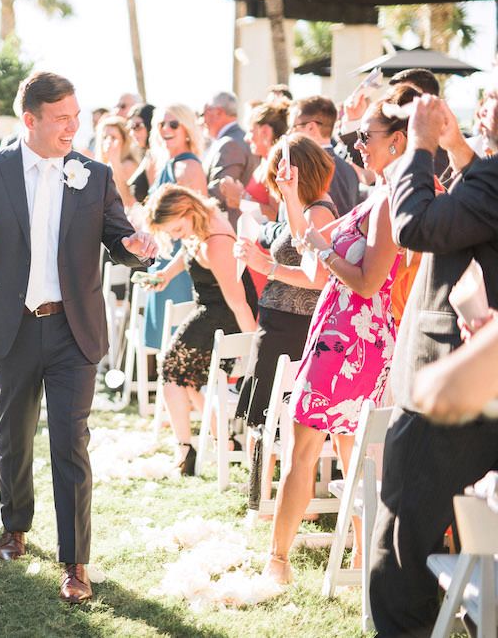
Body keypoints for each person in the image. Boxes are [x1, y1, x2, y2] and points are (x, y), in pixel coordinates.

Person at [0, 71, 159, 604]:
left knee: (71, 442)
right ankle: (15, 526)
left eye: (76, 116)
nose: (74, 127)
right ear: (31, 120)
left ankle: (74, 563)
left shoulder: (93, 173)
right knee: (14, 435)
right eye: (62, 118)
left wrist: (136, 245)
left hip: (74, 327)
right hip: (13, 324)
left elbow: (118, 238)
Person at [262, 93, 408, 586]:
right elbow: (312, 254)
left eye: (367, 136)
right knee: (349, 454)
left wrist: (324, 250)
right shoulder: (375, 196)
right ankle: (362, 566)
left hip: (351, 344)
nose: (358, 144)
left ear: (399, 142)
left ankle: (279, 561)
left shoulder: (389, 202)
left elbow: (366, 281)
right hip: (337, 337)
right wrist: (290, 197)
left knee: (308, 448)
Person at [369, 92, 498, 636]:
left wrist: (420, 145)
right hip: (480, 368)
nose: (482, 103)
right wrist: (456, 146)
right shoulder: (489, 175)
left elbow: (415, 225)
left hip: (454, 374)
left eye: (492, 99)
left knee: (404, 535)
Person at [233, 135, 338, 511]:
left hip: (294, 325)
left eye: (280, 171)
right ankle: (259, 496)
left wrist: (267, 267)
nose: (273, 178)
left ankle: (262, 501)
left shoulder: (319, 213)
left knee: (268, 412)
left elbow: (320, 277)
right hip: (279, 320)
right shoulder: (303, 208)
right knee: (263, 411)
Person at [145, 185, 258, 475]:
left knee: (171, 370)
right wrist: (166, 275)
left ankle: (186, 450)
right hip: (211, 309)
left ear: (188, 210)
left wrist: (254, 349)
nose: (175, 236)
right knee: (186, 375)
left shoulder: (216, 242)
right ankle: (223, 441)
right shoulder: (200, 221)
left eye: (177, 229)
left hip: (223, 315)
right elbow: (189, 248)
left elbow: (239, 302)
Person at [139, 104, 205, 353]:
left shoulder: (188, 168)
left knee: (179, 353)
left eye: (173, 124)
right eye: (161, 124)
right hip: (162, 264)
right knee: (163, 354)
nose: (166, 129)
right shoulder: (166, 164)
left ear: (187, 129)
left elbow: (199, 230)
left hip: (180, 271)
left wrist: (169, 272)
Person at [288, 96, 359, 217]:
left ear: (311, 127)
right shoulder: (349, 168)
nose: (289, 133)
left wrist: (266, 229)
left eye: (293, 127)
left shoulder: (309, 169)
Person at [202, 90, 260, 226]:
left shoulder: (230, 143)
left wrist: (188, 199)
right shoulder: (235, 138)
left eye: (206, 111)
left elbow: (221, 191)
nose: (203, 118)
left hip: (230, 227)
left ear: (219, 112)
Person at [95, 115, 138, 209]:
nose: (108, 141)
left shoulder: (129, 165)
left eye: (113, 138)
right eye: (105, 137)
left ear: (124, 140)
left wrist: (115, 162)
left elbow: (128, 202)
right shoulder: (102, 166)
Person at [125, 103, 155, 202]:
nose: (133, 133)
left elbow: (155, 198)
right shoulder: (148, 155)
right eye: (131, 127)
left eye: (137, 126)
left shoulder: (155, 157)